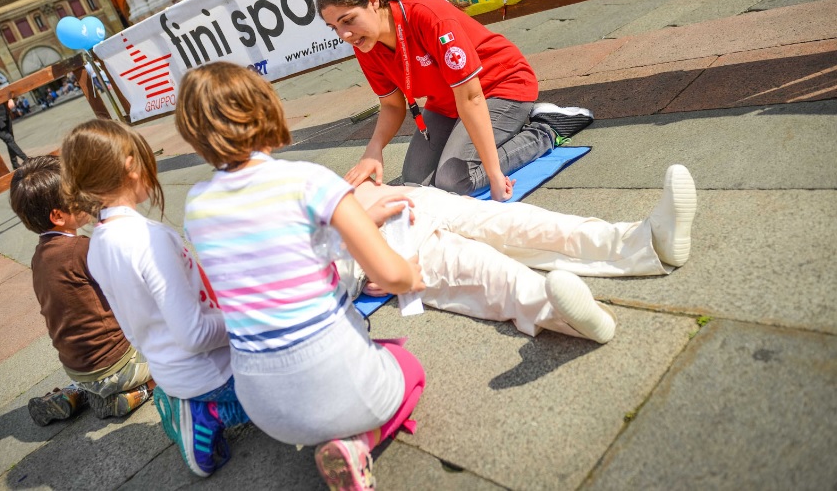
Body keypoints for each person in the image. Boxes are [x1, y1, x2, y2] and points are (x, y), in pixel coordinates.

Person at [176, 62, 427, 491]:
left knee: (373, 352)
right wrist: (411, 276)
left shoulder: (196, 204)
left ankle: (344, 428)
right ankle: (358, 444)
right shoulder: (307, 179)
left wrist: (359, 220)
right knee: (410, 367)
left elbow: (282, 249)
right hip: (332, 371)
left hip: (263, 405)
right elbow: (388, 272)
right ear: (265, 108)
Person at [60, 119, 250, 478]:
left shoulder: (98, 244)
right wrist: (249, 318)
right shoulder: (149, 238)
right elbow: (194, 334)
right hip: (214, 374)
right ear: (130, 164)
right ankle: (205, 412)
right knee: (294, 386)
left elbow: (133, 332)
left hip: (171, 373)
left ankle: (183, 400)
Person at [316, 0, 592, 202]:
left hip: (500, 86)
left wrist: (494, 175)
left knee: (455, 181)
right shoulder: (366, 42)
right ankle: (507, 133)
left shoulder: (425, 13)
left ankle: (545, 128)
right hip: (448, 102)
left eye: (348, 20)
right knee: (415, 184)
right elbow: (391, 104)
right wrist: (372, 152)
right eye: (334, 28)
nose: (345, 35)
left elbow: (471, 97)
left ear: (373, 1)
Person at [342, 164, 697, 343]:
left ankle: (648, 240)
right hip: (379, 245)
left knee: (524, 223)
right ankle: (565, 314)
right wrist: (380, 265)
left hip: (405, 201)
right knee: (482, 273)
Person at [9, 155, 153, 426]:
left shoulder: (39, 257)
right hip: (117, 365)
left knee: (96, 375)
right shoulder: (83, 250)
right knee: (176, 354)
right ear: (57, 215)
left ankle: (74, 395)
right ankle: (134, 393)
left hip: (78, 368)